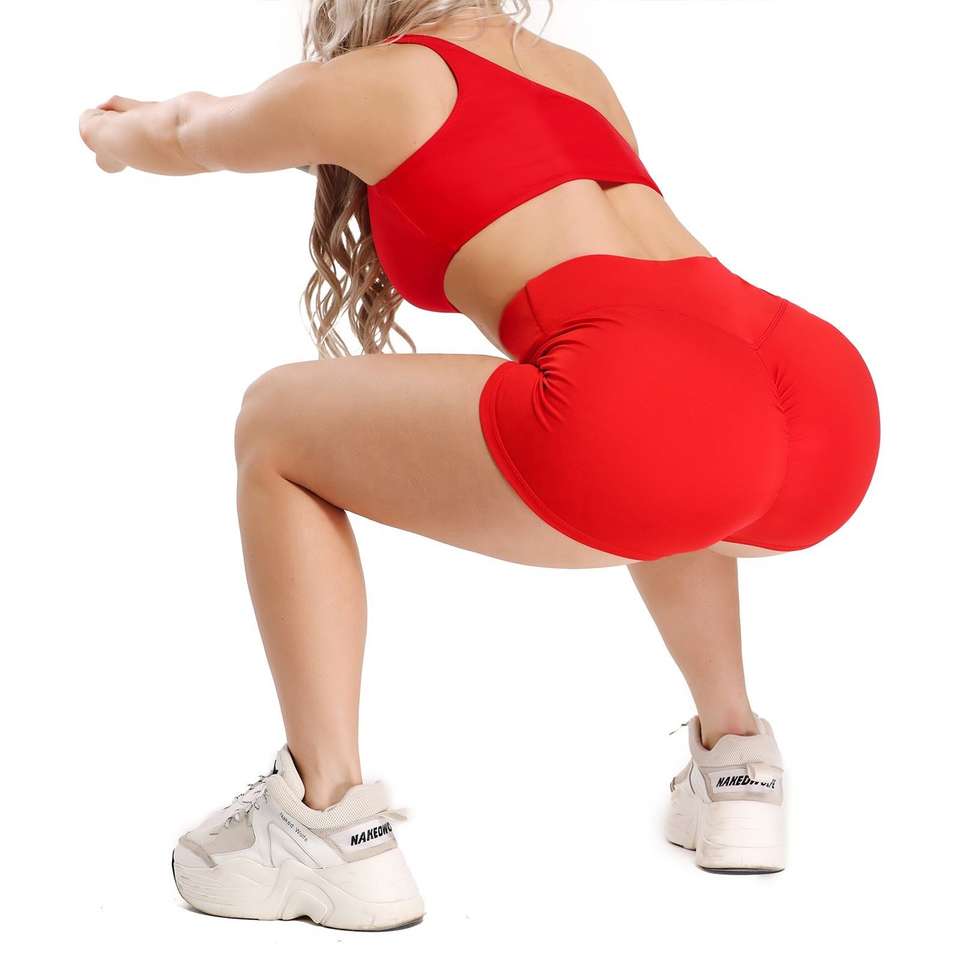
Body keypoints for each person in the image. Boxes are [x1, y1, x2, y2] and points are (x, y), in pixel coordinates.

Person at [77, 0, 880, 928]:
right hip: (813, 392)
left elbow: (187, 132)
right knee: (671, 437)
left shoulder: (375, 82)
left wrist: (107, 133)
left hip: (648, 403)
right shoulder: (575, 72)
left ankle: (325, 822)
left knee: (274, 423)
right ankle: (738, 765)